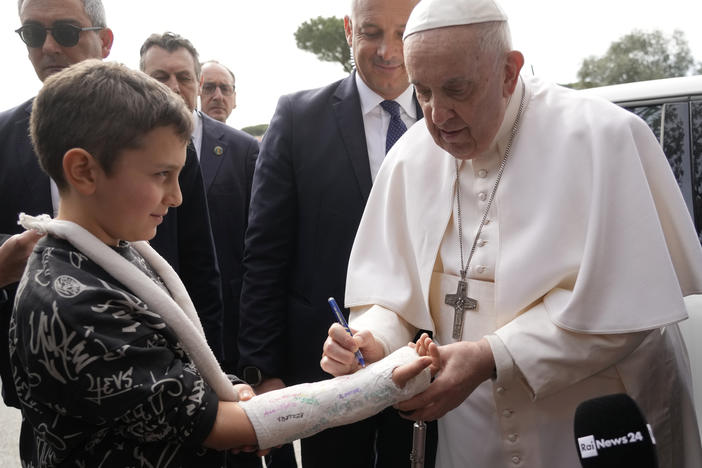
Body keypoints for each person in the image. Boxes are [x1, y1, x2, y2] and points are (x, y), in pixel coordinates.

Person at [320, 0, 702, 467]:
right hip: (474, 429)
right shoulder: (411, 158)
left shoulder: (601, 137)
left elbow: (627, 308)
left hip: (593, 420)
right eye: (422, 92)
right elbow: (390, 294)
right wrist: (369, 340)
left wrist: (490, 355)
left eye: (456, 89)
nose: (437, 116)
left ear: (508, 70)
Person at [236, 0, 433, 466]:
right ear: (348, 30)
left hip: (428, 355)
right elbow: (264, 255)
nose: (388, 51)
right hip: (328, 367)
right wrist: (264, 371)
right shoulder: (298, 118)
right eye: (371, 32)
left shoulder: (446, 117)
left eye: (402, 33)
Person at [0, 0, 225, 407]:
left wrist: (212, 377)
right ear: (79, 170)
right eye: (33, 34)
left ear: (104, 41)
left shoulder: (160, 135)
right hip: (56, 396)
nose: (48, 46)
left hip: (173, 380)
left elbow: (198, 264)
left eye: (66, 31)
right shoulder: (2, 137)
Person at [139, 31, 260, 468]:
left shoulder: (245, 149)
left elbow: (251, 247)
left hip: (218, 332)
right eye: (159, 76)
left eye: (183, 77)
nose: (171, 196)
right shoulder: (125, 155)